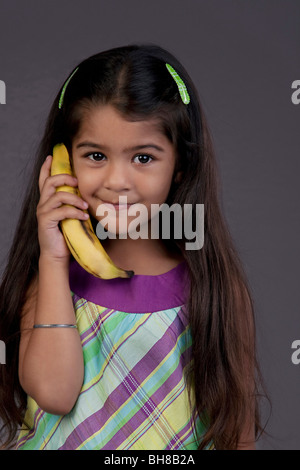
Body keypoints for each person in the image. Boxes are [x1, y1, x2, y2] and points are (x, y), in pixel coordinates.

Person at [0, 43, 264, 450]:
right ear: (63, 162)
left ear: (180, 167)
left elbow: (238, 434)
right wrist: (53, 258)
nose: (117, 181)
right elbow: (54, 394)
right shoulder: (53, 283)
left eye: (143, 158)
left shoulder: (215, 291)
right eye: (95, 155)